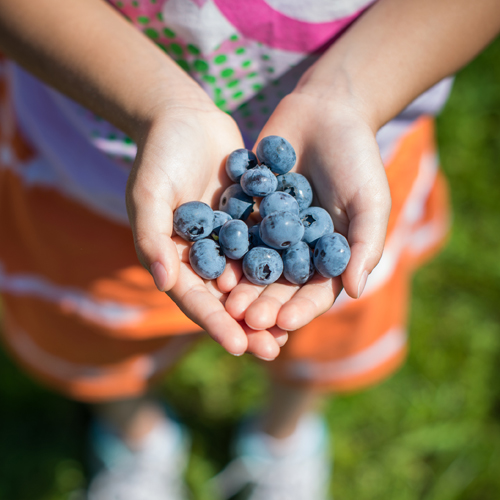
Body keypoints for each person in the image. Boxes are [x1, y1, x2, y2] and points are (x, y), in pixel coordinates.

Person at [0, 0, 499, 498]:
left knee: (318, 338)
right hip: (85, 169)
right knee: (98, 333)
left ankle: (281, 437)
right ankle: (137, 437)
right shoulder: (242, 208)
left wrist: (349, 96)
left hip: (362, 143)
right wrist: (157, 104)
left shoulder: (299, 208)